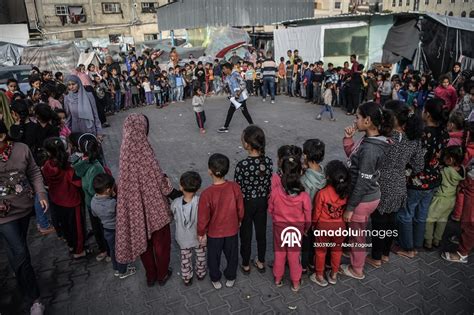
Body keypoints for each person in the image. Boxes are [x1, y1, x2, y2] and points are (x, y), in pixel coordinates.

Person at [115, 114, 176, 287]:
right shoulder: (145, 148)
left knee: (143, 241)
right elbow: (159, 178)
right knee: (161, 241)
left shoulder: (124, 149)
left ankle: (151, 276)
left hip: (134, 207)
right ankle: (162, 274)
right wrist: (172, 191)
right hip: (154, 204)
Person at [365, 101, 424, 268]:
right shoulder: (413, 139)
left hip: (380, 183)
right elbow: (419, 165)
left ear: (394, 118)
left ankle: (375, 257)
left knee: (379, 222)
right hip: (399, 184)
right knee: (391, 220)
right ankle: (384, 254)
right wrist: (403, 167)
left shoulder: (384, 137)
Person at [339, 102, 393, 280]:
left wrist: (350, 207)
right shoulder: (371, 140)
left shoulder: (370, 148)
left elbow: (362, 181)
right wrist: (348, 139)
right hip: (367, 196)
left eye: (357, 117)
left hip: (363, 199)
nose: (355, 120)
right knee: (357, 232)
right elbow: (355, 160)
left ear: (368, 121)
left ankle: (357, 269)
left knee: (358, 237)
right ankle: (353, 255)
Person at [0, 120, 48, 314]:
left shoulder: (21, 149)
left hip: (24, 207)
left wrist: (41, 194)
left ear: (2, 136)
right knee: (20, 250)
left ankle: (22, 279)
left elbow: (34, 172)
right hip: (3, 215)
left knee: (18, 251)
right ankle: (35, 299)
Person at [394, 98, 449, 258]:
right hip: (433, 180)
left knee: (405, 213)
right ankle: (417, 244)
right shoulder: (444, 132)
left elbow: (415, 161)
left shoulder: (423, 134)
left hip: (417, 182)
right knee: (421, 213)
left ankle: (408, 248)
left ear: (428, 114)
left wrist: (403, 176)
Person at [198, 153, 244, 289]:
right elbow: (240, 208)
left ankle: (215, 277)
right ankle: (230, 276)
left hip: (214, 233)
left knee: (213, 257)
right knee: (232, 255)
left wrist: (201, 232)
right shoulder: (235, 187)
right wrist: (240, 220)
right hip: (232, 230)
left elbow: (202, 217)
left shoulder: (207, 194)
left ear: (209, 171)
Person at [268, 153, 311, 292]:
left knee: (279, 254)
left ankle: (278, 279)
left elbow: (270, 209)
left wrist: (276, 218)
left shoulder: (275, 191)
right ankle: (296, 282)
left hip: (279, 228)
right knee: (293, 255)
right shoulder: (304, 196)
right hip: (296, 230)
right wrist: (306, 227)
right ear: (299, 172)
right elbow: (308, 214)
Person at [234, 126, 273, 274]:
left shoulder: (242, 165)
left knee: (246, 234)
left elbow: (238, 189)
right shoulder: (268, 162)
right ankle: (261, 261)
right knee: (261, 233)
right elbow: (269, 183)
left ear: (247, 144)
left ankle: (245, 264)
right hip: (262, 202)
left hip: (246, 203)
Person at [42, 137, 85, 259]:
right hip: (72, 200)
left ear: (49, 152)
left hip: (57, 200)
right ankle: (78, 251)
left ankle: (71, 245)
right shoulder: (68, 166)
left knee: (66, 226)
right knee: (77, 227)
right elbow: (78, 183)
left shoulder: (46, 166)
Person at [311, 160, 351, 287]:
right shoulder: (345, 193)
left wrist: (313, 224)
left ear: (328, 177)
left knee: (321, 251)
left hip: (323, 227)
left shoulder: (322, 193)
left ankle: (319, 275)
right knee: (336, 251)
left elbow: (317, 212)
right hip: (340, 227)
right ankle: (333, 275)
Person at [91, 173, 136, 279]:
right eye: (112, 188)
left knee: (113, 250)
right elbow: (121, 214)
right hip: (117, 229)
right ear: (108, 190)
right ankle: (122, 271)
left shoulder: (93, 201)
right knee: (121, 250)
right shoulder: (112, 204)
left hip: (106, 229)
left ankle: (116, 268)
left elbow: (94, 215)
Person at [71, 133, 108, 261]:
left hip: (89, 202)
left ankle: (103, 250)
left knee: (96, 227)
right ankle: (108, 251)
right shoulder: (96, 167)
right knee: (104, 227)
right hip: (99, 202)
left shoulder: (80, 163)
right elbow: (95, 188)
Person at [424, 146, 465, 249]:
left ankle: (428, 241)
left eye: (445, 157)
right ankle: (437, 240)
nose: (443, 158)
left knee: (429, 219)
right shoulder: (462, 170)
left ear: (450, 159)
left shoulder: (445, 170)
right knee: (442, 220)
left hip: (440, 198)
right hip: (451, 199)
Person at [170, 171, 207, 286]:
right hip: (199, 237)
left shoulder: (175, 203)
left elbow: (173, 216)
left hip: (183, 238)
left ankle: (187, 277)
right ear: (198, 187)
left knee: (185, 258)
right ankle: (200, 273)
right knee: (201, 256)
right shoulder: (200, 201)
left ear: (181, 187)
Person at [300, 139, 326, 274]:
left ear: (305, 156)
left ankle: (303, 266)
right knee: (314, 242)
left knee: (306, 242)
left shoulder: (304, 180)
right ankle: (311, 262)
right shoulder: (324, 172)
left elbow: (304, 204)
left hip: (308, 218)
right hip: (321, 217)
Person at [217, 63, 254, 133]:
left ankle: (252, 126)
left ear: (228, 68)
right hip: (235, 98)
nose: (223, 70)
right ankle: (225, 126)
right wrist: (219, 88)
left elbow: (243, 84)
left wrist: (238, 93)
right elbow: (224, 85)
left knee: (244, 112)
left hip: (241, 97)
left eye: (224, 69)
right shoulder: (227, 76)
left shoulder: (235, 74)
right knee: (231, 111)